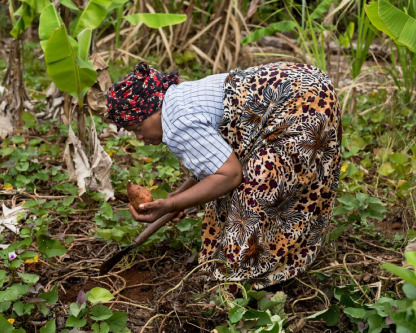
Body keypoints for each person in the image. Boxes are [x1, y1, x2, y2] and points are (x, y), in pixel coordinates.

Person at [107, 61, 341, 291]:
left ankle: (246, 279)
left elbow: (229, 175)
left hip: (300, 102)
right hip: (306, 83)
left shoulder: (175, 123)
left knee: (258, 189)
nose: (140, 138)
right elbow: (215, 165)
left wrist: (171, 203)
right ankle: (270, 262)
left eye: (138, 128)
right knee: (246, 182)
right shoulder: (178, 99)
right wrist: (179, 197)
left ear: (154, 110)